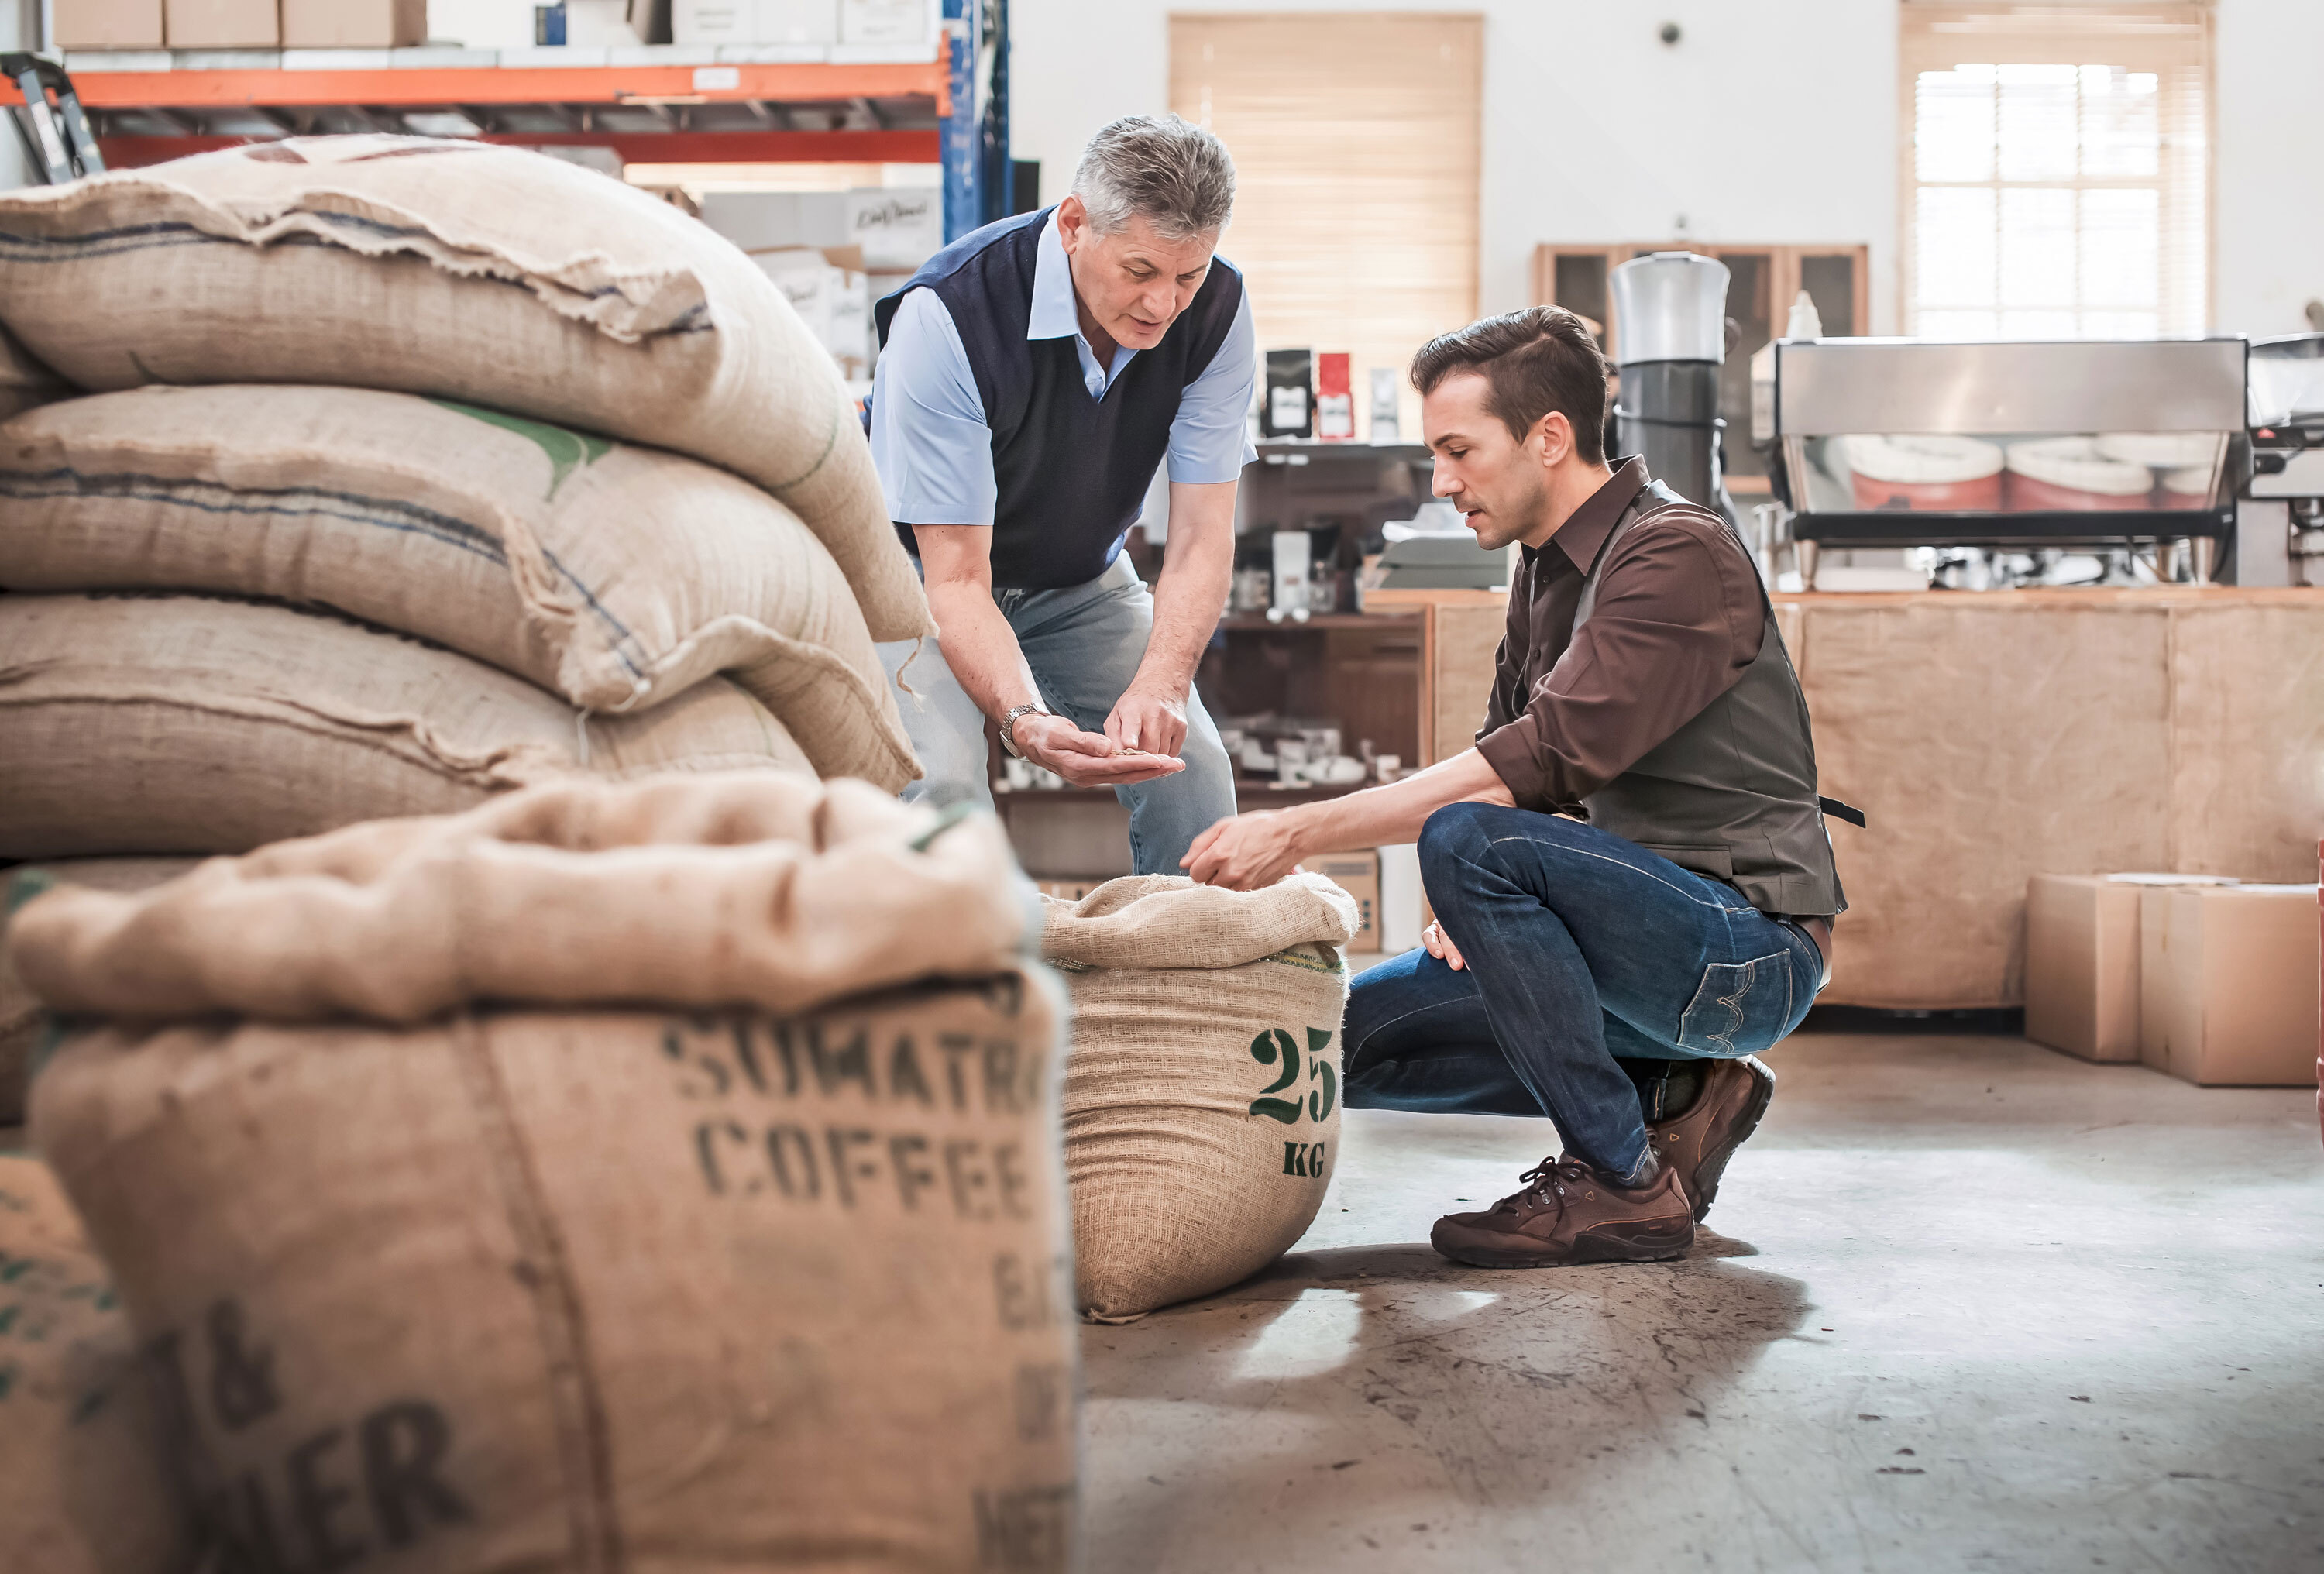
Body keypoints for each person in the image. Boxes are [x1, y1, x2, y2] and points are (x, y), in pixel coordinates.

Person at [1184, 306, 1848, 1268]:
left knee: (1463, 839)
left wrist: (1296, 833)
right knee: (1343, 1044)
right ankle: (1682, 1095)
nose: (1441, 480)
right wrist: (1486, 912)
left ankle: (1620, 1179)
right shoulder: (1542, 572)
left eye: (1458, 450)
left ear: (1549, 437)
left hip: (1747, 952)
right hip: (1637, 942)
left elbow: (1534, 761)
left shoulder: (1675, 555)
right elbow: (1516, 775)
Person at [865, 113, 1255, 875]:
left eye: (1189, 274)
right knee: (943, 792)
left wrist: (1162, 686)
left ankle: (1185, 981)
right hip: (923, 579)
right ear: (1074, 224)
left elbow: (1203, 536)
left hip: (1081, 579)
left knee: (1195, 773)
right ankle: (962, 985)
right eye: (1140, 271)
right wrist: (1026, 720)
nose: (1164, 305)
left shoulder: (1217, 311)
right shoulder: (949, 313)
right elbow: (957, 580)